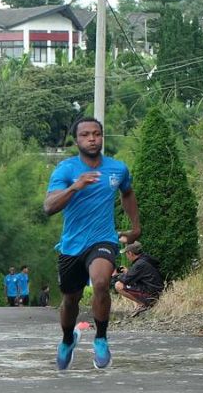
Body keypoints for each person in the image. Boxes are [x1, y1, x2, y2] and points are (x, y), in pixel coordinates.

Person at [44, 117, 141, 370]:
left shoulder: (117, 169)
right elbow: (49, 207)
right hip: (71, 245)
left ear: (102, 137)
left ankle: (101, 338)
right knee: (70, 300)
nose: (92, 139)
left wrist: (135, 227)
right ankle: (68, 339)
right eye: (85, 135)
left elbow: (128, 192)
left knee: (100, 282)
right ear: (76, 140)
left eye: (96, 134)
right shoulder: (65, 170)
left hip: (103, 239)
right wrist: (75, 187)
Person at [113, 241, 163, 314]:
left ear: (130, 253)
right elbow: (136, 276)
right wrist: (127, 272)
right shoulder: (145, 259)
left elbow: (126, 280)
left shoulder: (139, 264)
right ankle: (139, 305)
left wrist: (116, 275)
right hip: (156, 291)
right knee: (132, 282)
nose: (126, 256)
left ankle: (144, 305)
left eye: (126, 253)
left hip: (151, 295)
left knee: (118, 285)